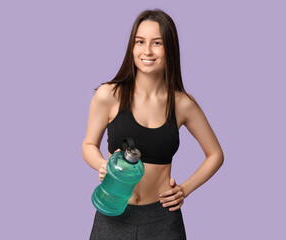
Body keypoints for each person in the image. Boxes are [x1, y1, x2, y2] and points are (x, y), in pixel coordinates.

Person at [82, 9, 224, 240]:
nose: (147, 51)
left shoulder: (182, 104)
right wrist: (102, 164)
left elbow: (215, 154)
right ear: (132, 47)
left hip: (163, 219)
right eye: (140, 42)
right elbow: (88, 144)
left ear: (170, 48)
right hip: (112, 214)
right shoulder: (109, 95)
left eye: (156, 43)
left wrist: (184, 190)